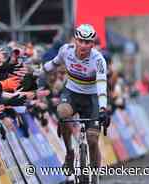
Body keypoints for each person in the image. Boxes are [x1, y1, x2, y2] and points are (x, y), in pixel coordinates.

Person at [42, 24, 108, 183]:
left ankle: (94, 175)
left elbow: (101, 86)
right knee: (63, 113)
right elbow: (52, 64)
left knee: (92, 140)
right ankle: (70, 153)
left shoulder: (98, 60)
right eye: (81, 41)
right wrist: (36, 72)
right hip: (72, 93)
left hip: (92, 98)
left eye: (88, 42)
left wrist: (103, 108)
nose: (84, 46)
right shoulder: (66, 50)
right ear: (75, 40)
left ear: (92, 44)